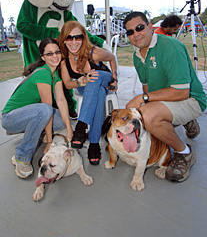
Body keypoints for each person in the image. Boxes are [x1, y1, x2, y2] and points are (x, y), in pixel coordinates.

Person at [123, 11, 206, 183]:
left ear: (150, 27)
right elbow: (147, 88)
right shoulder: (137, 56)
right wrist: (144, 101)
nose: (135, 34)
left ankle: (184, 153)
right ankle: (183, 120)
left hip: (191, 99)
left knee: (148, 117)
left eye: (139, 28)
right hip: (168, 100)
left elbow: (182, 92)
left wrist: (143, 99)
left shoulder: (170, 46)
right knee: (142, 119)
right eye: (130, 32)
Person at [1, 38, 73, 179]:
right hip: (10, 118)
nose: (55, 56)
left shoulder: (55, 74)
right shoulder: (43, 73)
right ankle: (22, 156)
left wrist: (69, 128)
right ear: (43, 57)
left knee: (60, 120)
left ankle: (34, 131)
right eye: (49, 54)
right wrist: (50, 141)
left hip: (29, 113)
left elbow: (61, 100)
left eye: (57, 52)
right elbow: (46, 107)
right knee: (46, 110)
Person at [58, 20, 117, 165]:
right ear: (64, 40)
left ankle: (81, 126)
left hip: (103, 78)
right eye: (69, 37)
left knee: (95, 75)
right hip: (89, 85)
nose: (74, 42)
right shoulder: (64, 61)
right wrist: (80, 81)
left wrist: (115, 78)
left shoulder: (94, 53)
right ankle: (94, 144)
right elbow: (67, 84)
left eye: (78, 37)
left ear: (84, 38)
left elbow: (112, 58)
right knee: (97, 92)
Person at [154, 15, 200, 136]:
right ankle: (187, 120)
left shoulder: (166, 36)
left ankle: (187, 120)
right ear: (168, 26)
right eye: (175, 29)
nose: (176, 32)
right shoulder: (159, 37)